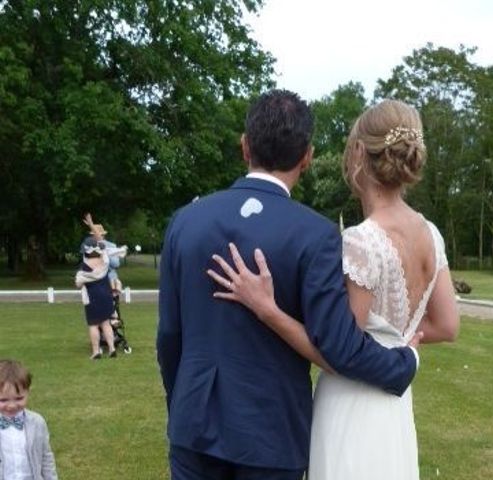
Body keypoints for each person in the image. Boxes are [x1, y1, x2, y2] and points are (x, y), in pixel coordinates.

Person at [156, 89, 421, 480]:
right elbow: (340, 346)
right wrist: (404, 363)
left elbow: (169, 337)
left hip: (193, 426)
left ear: (245, 146)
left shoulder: (185, 221)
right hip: (272, 434)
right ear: (307, 157)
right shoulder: (316, 235)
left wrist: (183, 406)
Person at [208, 99, 460, 479]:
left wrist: (267, 309)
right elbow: (446, 325)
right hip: (394, 404)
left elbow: (338, 351)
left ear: (359, 152)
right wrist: (401, 346)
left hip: (352, 403)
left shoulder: (363, 240)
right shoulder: (430, 233)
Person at [0, 359, 58, 480]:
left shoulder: (37, 422)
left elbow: (46, 456)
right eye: (3, 400)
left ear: (28, 392)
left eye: (19, 398)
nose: (11, 405)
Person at [75, 238, 117, 359]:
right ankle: (112, 348)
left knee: (93, 324)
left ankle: (96, 351)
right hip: (106, 295)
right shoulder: (104, 261)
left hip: (92, 297)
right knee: (106, 323)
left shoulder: (84, 267)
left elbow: (78, 283)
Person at [81, 213, 128, 293]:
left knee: (113, 281)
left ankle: (114, 298)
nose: (95, 237)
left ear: (103, 235)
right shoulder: (88, 245)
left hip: (109, 276)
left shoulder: (111, 246)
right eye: (93, 235)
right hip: (94, 276)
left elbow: (116, 264)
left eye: (97, 235)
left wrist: (105, 254)